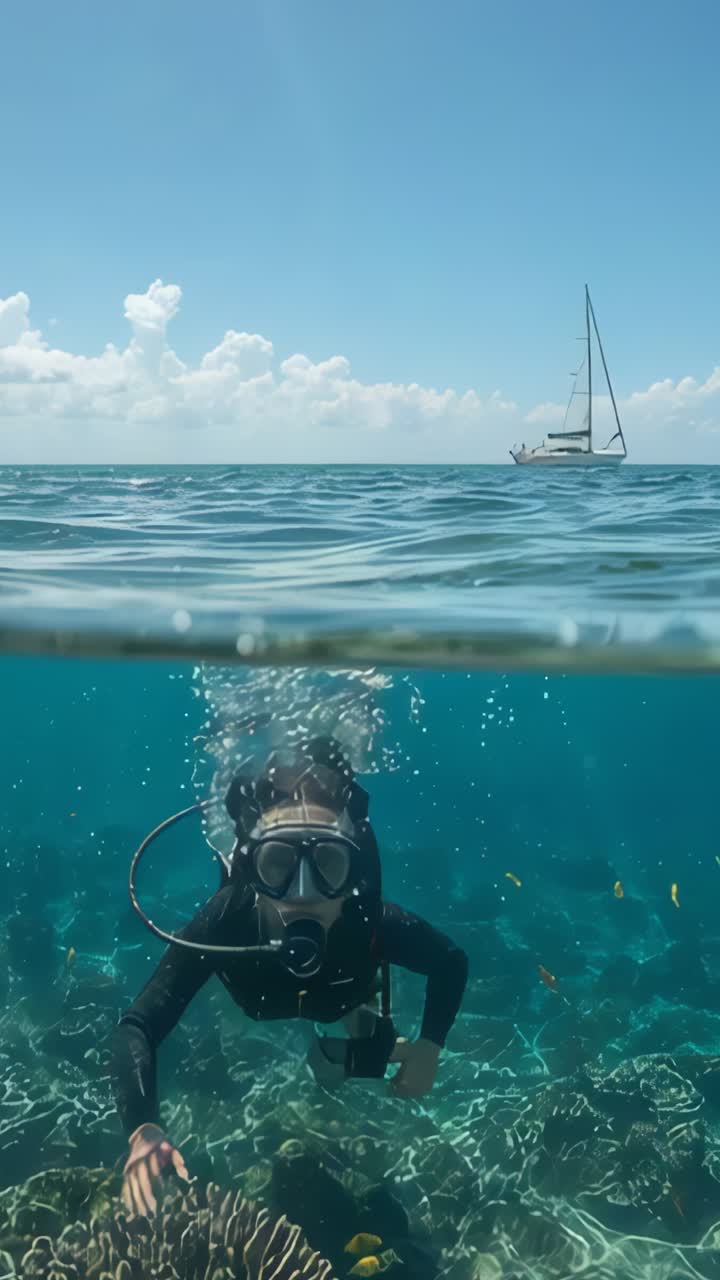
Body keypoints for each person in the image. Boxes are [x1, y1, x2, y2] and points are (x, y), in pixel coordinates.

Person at [111, 737, 468, 1216]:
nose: (302, 893)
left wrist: (429, 1049)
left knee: (341, 1064)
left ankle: (361, 1029)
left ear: (353, 875)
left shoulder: (369, 920)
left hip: (342, 997)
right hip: (285, 999)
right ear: (251, 871)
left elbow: (451, 961)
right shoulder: (227, 917)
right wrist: (142, 1129)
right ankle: (358, 1030)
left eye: (328, 865)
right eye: (277, 863)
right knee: (348, 1048)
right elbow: (138, 1026)